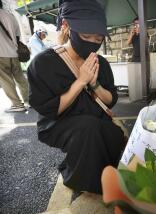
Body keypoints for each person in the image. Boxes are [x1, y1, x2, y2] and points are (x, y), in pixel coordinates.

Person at [27, 0, 125, 195]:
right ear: (67, 26)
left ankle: (92, 169)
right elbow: (52, 110)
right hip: (59, 122)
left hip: (94, 119)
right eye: (86, 35)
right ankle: (87, 184)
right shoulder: (43, 64)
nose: (92, 43)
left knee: (114, 136)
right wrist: (80, 81)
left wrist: (94, 84)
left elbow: (109, 100)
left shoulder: (101, 63)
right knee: (89, 130)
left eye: (98, 39)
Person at [0, 0, 29, 112]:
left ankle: (17, 104)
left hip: (1, 54)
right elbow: (17, 35)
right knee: (20, 77)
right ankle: (29, 100)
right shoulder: (10, 16)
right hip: (13, 52)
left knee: (6, 80)